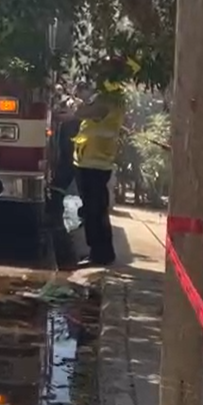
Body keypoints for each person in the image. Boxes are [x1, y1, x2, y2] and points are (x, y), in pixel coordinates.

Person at [72, 70, 129, 267]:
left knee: (93, 211)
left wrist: (77, 99)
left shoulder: (107, 102)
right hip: (92, 162)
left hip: (94, 164)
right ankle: (100, 252)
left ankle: (99, 254)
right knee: (95, 210)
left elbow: (81, 112)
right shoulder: (112, 101)